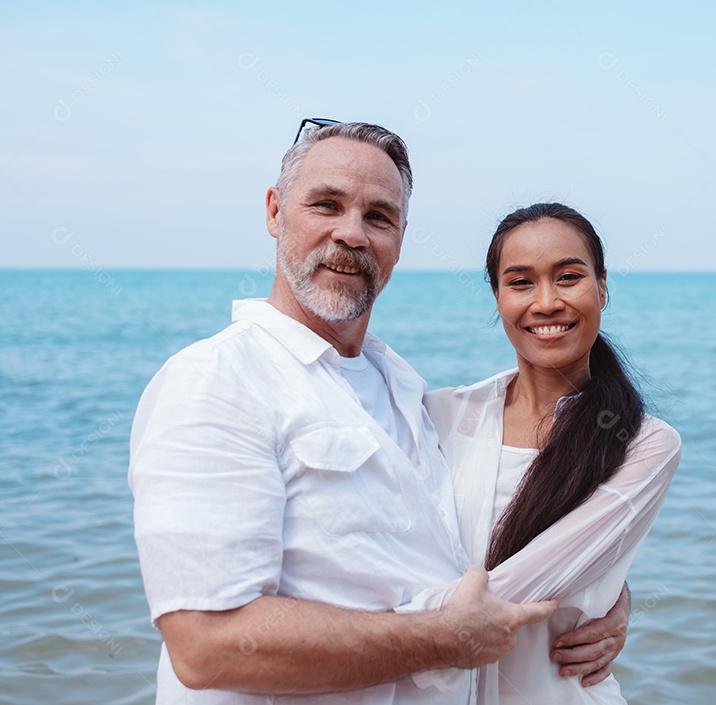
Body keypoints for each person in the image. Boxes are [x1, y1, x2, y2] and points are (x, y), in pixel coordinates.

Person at [128, 121, 627, 705]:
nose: (352, 234)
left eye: (379, 217)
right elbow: (205, 644)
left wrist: (601, 594)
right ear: (274, 212)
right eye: (326, 205)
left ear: (401, 237)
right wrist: (442, 641)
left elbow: (489, 518)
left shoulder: (406, 392)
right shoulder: (217, 380)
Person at [403, 203, 681, 703]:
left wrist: (358, 632)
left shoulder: (643, 444)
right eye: (521, 282)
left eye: (569, 277)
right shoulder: (440, 415)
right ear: (497, 297)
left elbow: (512, 590)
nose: (547, 302)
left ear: (603, 285)